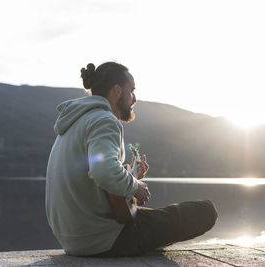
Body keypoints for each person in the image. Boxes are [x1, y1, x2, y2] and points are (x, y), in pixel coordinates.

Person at [45, 61, 218, 257]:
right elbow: (103, 171)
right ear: (118, 90)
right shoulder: (104, 119)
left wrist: (131, 173)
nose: (134, 97)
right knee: (205, 211)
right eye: (132, 90)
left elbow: (93, 172)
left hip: (75, 238)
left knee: (159, 217)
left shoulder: (76, 122)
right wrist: (135, 187)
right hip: (103, 238)